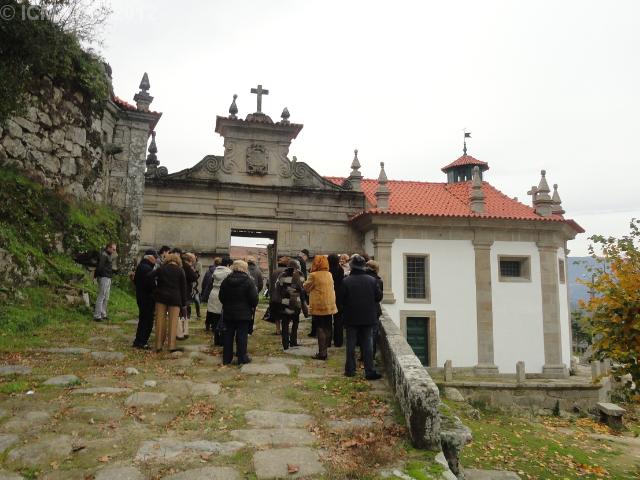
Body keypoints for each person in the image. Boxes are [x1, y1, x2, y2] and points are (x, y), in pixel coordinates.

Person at [341, 254, 383, 380]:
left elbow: (341, 299)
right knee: (368, 344)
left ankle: (350, 370)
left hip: (351, 317)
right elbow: (378, 297)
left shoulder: (346, 281)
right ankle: (369, 371)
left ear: (352, 266)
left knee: (351, 344)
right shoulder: (372, 280)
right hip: (368, 317)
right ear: (363, 267)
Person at [219, 260, 259, 365]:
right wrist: (250, 306)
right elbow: (254, 299)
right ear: (245, 268)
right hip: (244, 314)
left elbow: (221, 297)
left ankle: (226, 358)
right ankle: (242, 357)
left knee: (228, 336)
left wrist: (227, 304)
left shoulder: (226, 280)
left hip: (228, 313)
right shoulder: (249, 281)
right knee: (242, 336)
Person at [147, 252, 187, 353]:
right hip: (175, 298)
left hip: (161, 297)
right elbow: (183, 288)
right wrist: (183, 304)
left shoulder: (161, 269)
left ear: (167, 260)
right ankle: (171, 346)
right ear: (178, 261)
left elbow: (149, 276)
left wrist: (155, 289)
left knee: (160, 321)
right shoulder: (180, 270)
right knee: (173, 322)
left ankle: (158, 346)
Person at [303, 255, 338, 360]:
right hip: (329, 304)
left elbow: (306, 287)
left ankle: (322, 353)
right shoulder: (329, 274)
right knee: (328, 326)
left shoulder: (314, 275)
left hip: (319, 304)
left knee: (320, 327)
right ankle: (326, 348)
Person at [277, 259, 304, 350]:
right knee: (295, 322)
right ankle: (293, 341)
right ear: (297, 266)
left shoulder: (282, 275)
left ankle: (285, 344)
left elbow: (279, 287)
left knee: (285, 323)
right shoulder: (300, 275)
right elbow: (302, 288)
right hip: (296, 301)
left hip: (285, 301)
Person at [132, 250, 157, 349]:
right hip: (147, 298)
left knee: (142, 319)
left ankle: (138, 341)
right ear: (150, 257)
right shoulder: (147, 268)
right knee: (147, 321)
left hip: (141, 296)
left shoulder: (141, 266)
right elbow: (151, 285)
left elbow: (135, 280)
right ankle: (142, 342)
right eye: (155, 257)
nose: (156, 259)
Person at [206, 257, 232, 345]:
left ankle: (216, 338)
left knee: (214, 317)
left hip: (213, 293)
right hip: (223, 293)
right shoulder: (229, 272)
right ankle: (221, 339)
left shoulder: (215, 270)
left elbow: (211, 282)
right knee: (222, 319)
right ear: (228, 265)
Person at [93, 242, 117, 321]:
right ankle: (97, 316)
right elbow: (100, 267)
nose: (114, 251)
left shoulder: (109, 255)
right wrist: (96, 276)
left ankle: (103, 314)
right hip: (103, 277)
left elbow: (108, 267)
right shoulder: (104, 255)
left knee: (106, 297)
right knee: (101, 296)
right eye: (113, 249)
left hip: (108, 278)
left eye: (115, 249)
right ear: (108, 248)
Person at [179, 252, 199, 340]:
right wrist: (193, 271)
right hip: (184, 292)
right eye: (193, 259)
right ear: (190, 260)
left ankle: (182, 331)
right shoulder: (186, 266)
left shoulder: (182, 265)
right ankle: (182, 332)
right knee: (184, 312)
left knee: (183, 312)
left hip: (183, 291)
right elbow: (194, 277)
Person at [366, 259, 383, 361]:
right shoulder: (378, 281)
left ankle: (364, 356)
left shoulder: (363, 278)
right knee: (373, 334)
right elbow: (379, 297)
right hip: (374, 310)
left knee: (364, 335)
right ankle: (371, 357)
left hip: (363, 309)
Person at [268, 256, 289, 336]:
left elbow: (269, 284)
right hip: (285, 296)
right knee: (285, 314)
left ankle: (278, 330)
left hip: (275, 297)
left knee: (277, 314)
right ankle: (285, 329)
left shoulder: (274, 271)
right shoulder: (288, 272)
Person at [328, 253, 345, 347]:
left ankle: (327, 341)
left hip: (329, 294)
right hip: (339, 295)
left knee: (327, 319)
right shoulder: (340, 269)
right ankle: (338, 341)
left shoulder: (327, 270)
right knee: (338, 320)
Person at [201, 257, 221, 330]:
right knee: (216, 310)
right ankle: (214, 325)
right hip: (217, 292)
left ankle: (207, 324)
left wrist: (203, 292)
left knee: (209, 309)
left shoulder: (208, 271)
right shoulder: (220, 272)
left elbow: (204, 282)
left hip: (209, 292)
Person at [192, 254, 203, 320]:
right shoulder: (190, 263)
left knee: (196, 299)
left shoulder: (199, 264)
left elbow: (198, 273)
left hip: (196, 284)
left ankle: (198, 314)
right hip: (190, 284)